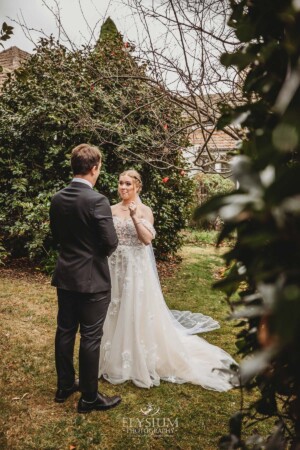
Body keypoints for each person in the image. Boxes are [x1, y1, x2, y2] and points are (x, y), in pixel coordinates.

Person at [99, 169, 237, 391]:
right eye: (120, 183)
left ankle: (136, 356)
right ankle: (110, 353)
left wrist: (135, 218)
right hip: (114, 266)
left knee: (134, 310)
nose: (123, 188)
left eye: (128, 184)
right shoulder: (111, 209)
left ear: (137, 187)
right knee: (114, 307)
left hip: (135, 269)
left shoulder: (145, 211)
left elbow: (146, 240)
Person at [50, 143, 121, 413]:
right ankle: (89, 397)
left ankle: (65, 385)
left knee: (65, 330)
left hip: (66, 275)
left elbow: (57, 236)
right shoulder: (97, 200)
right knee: (91, 337)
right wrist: (94, 255)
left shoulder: (57, 198)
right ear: (95, 168)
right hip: (92, 280)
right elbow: (110, 242)